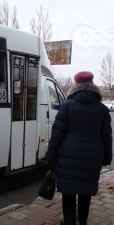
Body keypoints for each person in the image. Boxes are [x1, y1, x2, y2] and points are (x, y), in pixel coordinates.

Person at [47, 71, 112, 225]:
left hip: (67, 158)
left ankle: (69, 222)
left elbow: (56, 134)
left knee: (68, 194)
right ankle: (82, 221)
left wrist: (51, 156)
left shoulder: (67, 106)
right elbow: (107, 138)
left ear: (75, 85)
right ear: (92, 85)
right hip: (91, 159)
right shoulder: (102, 109)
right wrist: (107, 158)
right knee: (85, 193)